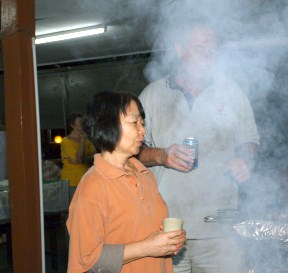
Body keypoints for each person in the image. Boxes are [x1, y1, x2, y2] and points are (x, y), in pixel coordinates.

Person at [138, 21, 259, 273]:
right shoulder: (151, 95)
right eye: (202, 49)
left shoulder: (231, 91)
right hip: (165, 228)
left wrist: (246, 161)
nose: (209, 57)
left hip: (220, 229)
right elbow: (132, 153)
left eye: (214, 51)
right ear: (179, 49)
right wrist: (161, 155)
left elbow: (249, 140)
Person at [67, 91, 186, 273]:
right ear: (108, 125)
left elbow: (143, 231)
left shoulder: (145, 174)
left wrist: (167, 241)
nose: (142, 130)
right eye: (134, 122)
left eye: (142, 123)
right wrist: (146, 247)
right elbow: (85, 259)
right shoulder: (93, 186)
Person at [60, 112, 96, 200]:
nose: (83, 124)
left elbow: (94, 155)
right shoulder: (66, 141)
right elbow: (78, 159)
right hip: (72, 180)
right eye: (80, 122)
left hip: (86, 178)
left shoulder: (87, 140)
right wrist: (83, 140)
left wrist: (83, 158)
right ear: (72, 125)